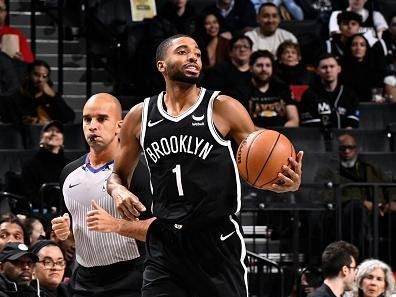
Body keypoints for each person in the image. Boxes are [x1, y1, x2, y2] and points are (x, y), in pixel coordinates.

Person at [88, 34, 303, 297]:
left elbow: (261, 156)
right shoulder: (140, 116)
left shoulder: (222, 108)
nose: (193, 57)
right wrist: (117, 190)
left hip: (215, 241)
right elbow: (116, 176)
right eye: (183, 51)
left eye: (198, 54)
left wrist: (282, 183)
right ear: (161, 65)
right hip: (165, 242)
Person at [51, 93, 151, 297]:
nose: (92, 125)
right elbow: (71, 236)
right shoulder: (68, 173)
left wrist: (116, 225)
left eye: (102, 119)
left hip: (131, 279)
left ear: (119, 126)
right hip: (83, 280)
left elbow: (160, 231)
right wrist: (64, 234)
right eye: (87, 119)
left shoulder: (139, 172)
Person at [233, 49, 299, 128]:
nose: (264, 69)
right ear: (250, 68)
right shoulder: (240, 91)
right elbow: (242, 124)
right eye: (259, 65)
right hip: (254, 137)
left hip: (282, 136)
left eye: (268, 65)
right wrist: (266, 134)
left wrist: (278, 134)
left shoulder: (282, 88)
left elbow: (294, 120)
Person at [299, 53, 360, 129]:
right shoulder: (309, 95)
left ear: (339, 69)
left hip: (344, 138)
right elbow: (311, 127)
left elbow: (352, 123)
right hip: (317, 138)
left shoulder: (350, 94)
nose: (328, 70)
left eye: (332, 66)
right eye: (324, 67)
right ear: (317, 71)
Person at [6, 60, 75, 125]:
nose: (40, 79)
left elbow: (69, 118)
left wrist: (54, 96)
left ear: (47, 79)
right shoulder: (15, 98)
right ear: (27, 75)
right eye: (36, 75)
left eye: (44, 76)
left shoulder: (51, 97)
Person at [21, 120, 70, 211]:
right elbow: (30, 193)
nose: (53, 133)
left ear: (62, 139)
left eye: (58, 131)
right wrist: (48, 207)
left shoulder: (69, 165)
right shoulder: (30, 164)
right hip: (41, 211)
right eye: (49, 130)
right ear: (41, 138)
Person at [340, 33, 386, 102]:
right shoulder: (340, 67)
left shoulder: (374, 68)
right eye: (354, 45)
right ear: (349, 47)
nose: (358, 48)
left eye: (362, 45)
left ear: (366, 48)